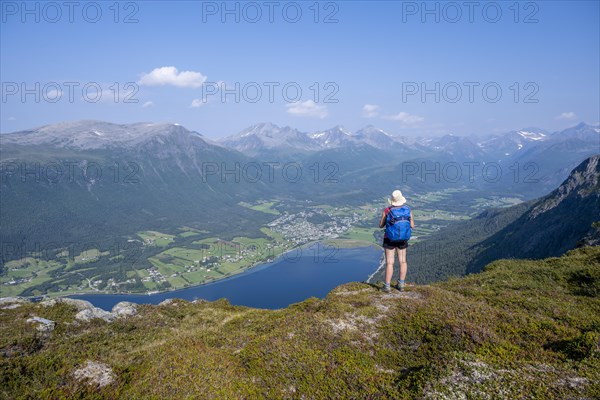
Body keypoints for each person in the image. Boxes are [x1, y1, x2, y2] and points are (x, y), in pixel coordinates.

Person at [378, 189, 414, 293]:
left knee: (390, 263)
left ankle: (387, 286)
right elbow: (412, 225)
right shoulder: (408, 210)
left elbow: (381, 225)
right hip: (403, 239)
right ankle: (401, 284)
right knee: (403, 261)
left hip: (389, 239)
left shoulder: (387, 211)